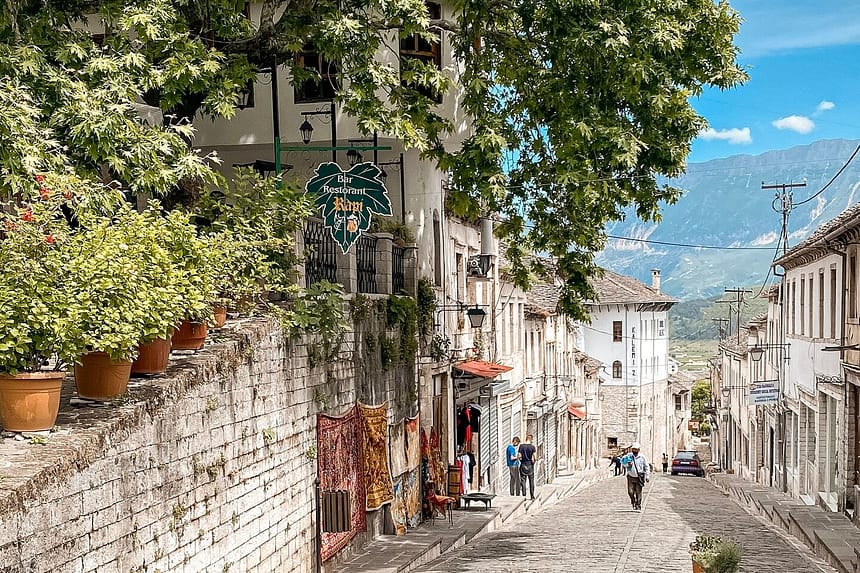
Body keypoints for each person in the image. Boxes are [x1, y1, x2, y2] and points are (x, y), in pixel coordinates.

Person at [623, 442, 650, 511]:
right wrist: (628, 465)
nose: (634, 450)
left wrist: (647, 476)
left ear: (638, 450)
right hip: (630, 476)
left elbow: (646, 466)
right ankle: (633, 500)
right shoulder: (628, 456)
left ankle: (638, 505)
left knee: (638, 491)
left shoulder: (642, 457)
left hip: (639, 477)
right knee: (630, 492)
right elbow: (623, 464)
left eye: (636, 449)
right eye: (633, 449)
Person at [518, 434, 537, 500]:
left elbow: (519, 456)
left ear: (526, 439)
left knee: (523, 481)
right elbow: (535, 457)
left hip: (523, 464)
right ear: (531, 439)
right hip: (530, 465)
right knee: (531, 481)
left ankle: (524, 496)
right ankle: (532, 496)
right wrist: (533, 463)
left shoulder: (521, 446)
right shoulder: (532, 447)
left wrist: (522, 461)